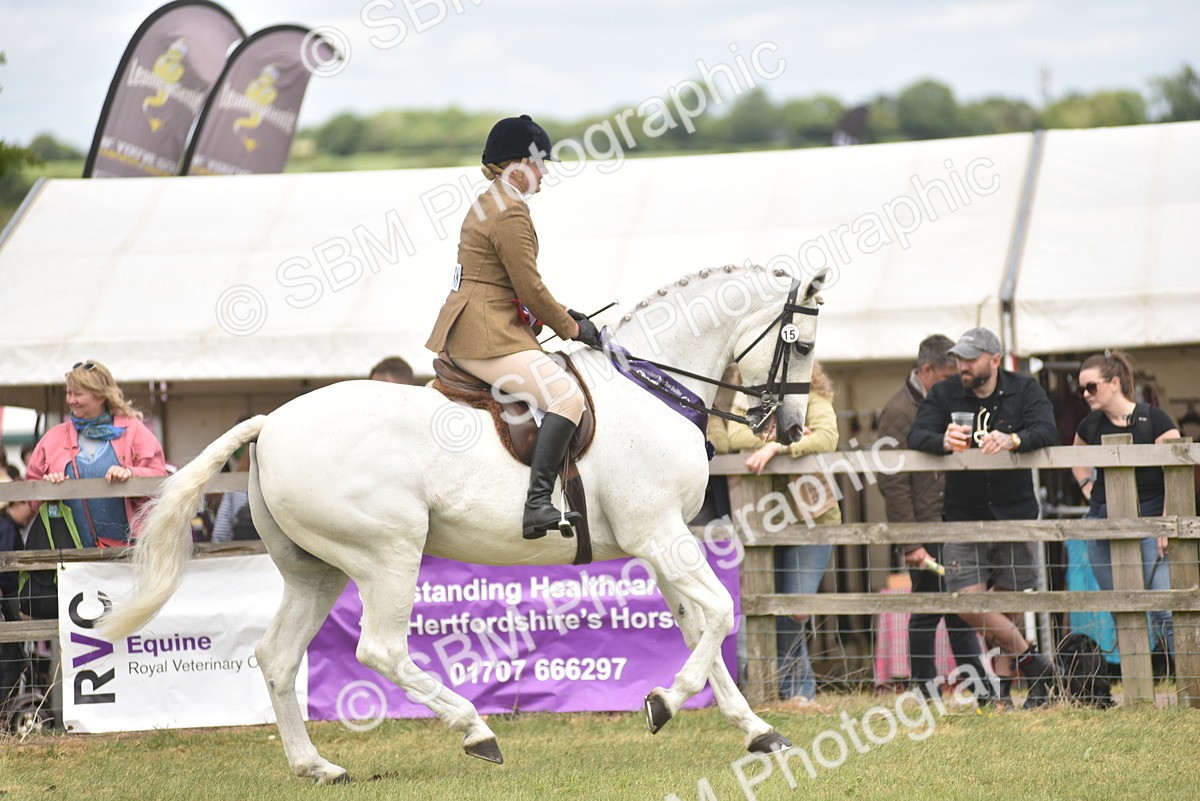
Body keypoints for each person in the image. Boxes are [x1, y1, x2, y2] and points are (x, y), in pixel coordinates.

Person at [425, 115, 602, 540]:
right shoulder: (510, 211)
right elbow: (529, 287)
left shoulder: (491, 200)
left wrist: (563, 313)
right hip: (484, 334)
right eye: (541, 165)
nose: (543, 175)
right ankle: (538, 503)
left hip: (479, 321)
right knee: (566, 397)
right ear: (522, 162)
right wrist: (572, 329)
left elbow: (509, 285)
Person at [908, 327, 1059, 708]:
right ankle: (1033, 660)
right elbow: (916, 435)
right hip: (963, 515)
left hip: (1015, 511)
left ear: (994, 360)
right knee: (964, 600)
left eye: (970, 359)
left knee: (1009, 606)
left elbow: (1047, 429)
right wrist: (942, 441)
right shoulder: (944, 394)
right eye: (958, 359)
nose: (961, 366)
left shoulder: (1025, 389)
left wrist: (1013, 440)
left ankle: (1008, 694)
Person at [877, 334, 990, 700]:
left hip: (953, 521)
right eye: (944, 377)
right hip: (926, 528)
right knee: (928, 609)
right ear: (926, 370)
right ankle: (929, 692)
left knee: (959, 607)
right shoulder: (898, 412)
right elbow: (892, 482)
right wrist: (912, 541)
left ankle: (979, 692)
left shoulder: (943, 403)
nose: (952, 384)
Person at [727, 362, 840, 708]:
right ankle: (794, 694)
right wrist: (791, 432)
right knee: (763, 604)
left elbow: (828, 436)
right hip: (763, 522)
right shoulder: (747, 393)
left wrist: (777, 446)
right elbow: (734, 435)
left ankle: (796, 692)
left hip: (813, 519)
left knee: (794, 608)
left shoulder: (811, 392)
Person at [1071, 350, 1179, 662]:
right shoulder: (1090, 425)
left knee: (1165, 609)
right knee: (1122, 608)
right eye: (1082, 390)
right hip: (1104, 523)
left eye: (1091, 387)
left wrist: (1165, 524)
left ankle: (1188, 683)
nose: (1085, 394)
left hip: (1150, 521)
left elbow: (1177, 474)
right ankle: (1138, 688)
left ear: (1114, 383)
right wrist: (1086, 487)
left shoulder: (1154, 419)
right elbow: (1074, 457)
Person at [23, 360, 168, 546]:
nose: (70, 400)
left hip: (129, 553)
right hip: (70, 557)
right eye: (68, 393)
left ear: (100, 396)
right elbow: (30, 494)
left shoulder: (134, 430)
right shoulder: (53, 438)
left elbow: (160, 479)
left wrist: (131, 474)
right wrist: (49, 487)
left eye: (78, 394)